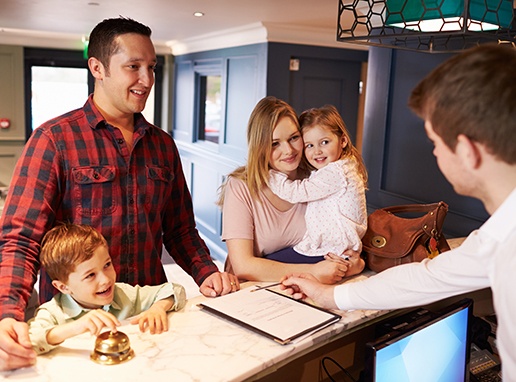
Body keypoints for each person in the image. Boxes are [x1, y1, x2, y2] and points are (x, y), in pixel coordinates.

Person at [0, 16, 238, 371]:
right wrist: (7, 313)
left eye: (152, 67)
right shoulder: (53, 139)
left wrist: (207, 273)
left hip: (152, 319)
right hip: (79, 330)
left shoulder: (162, 146)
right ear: (97, 67)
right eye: (133, 66)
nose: (147, 79)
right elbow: (21, 238)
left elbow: (180, 229)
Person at [280, 44, 516, 380]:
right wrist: (330, 294)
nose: (435, 154)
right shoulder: (498, 237)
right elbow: (428, 276)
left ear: (467, 151)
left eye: (435, 142)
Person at [218, 96, 354, 285]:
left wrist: (352, 263)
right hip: (254, 288)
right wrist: (312, 272)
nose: (288, 150)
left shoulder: (315, 178)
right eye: (275, 144)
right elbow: (243, 266)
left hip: (307, 286)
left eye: (293, 138)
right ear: (260, 147)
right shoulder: (241, 186)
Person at [29, 224, 186, 355]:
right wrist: (75, 327)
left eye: (107, 265)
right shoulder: (52, 312)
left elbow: (173, 290)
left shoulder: (123, 295)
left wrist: (158, 308)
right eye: (90, 275)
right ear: (64, 287)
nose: (106, 279)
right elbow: (30, 342)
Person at [267, 105, 367, 277]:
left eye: (324, 142)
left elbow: (296, 192)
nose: (317, 151)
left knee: (268, 263)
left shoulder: (336, 172)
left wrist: (269, 174)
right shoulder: (344, 166)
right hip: (337, 246)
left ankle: (349, 268)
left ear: (342, 141)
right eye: (309, 145)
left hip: (331, 248)